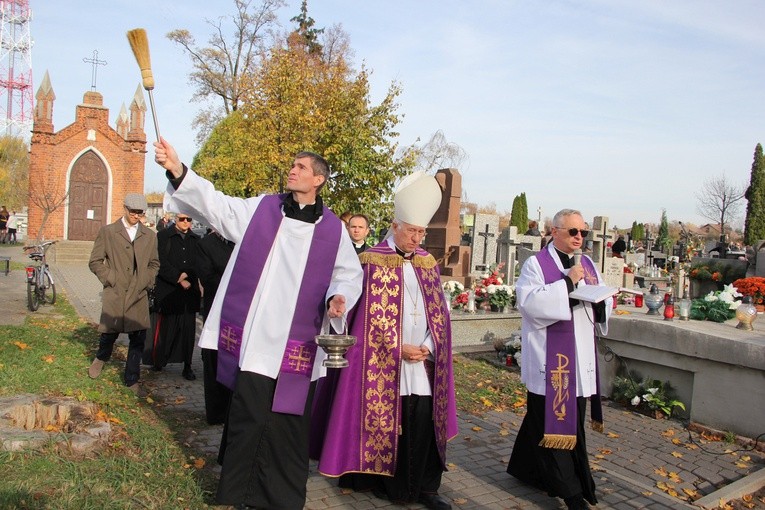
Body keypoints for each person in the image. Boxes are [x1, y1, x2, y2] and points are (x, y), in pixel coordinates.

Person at [153, 137, 363, 509]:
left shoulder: (333, 230)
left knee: (287, 424)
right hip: (256, 340)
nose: (292, 170)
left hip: (298, 345)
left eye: (300, 167)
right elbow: (216, 205)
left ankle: (281, 498)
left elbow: (348, 274)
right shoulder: (263, 210)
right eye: (292, 165)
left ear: (318, 179)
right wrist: (177, 169)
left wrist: (338, 297)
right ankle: (239, 492)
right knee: (249, 416)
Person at [311, 172, 458, 510]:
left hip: (422, 359)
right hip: (383, 361)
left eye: (422, 232)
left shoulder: (427, 263)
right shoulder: (370, 261)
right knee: (389, 421)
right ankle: (387, 485)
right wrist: (395, 347)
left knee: (421, 421)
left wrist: (430, 346)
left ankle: (426, 488)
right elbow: (362, 316)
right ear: (395, 225)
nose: (417, 238)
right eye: (412, 231)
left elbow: (439, 312)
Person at [506, 209, 612, 510]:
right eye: (573, 232)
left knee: (557, 422)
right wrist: (566, 284)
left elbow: (601, 298)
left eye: (583, 233)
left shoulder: (589, 263)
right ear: (555, 232)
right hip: (550, 361)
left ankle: (526, 470)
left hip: (579, 359)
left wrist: (604, 303)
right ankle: (572, 493)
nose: (580, 238)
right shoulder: (535, 264)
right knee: (553, 426)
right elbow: (529, 303)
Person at [87, 194, 160, 393]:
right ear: (125, 208)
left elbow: (154, 263)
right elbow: (95, 261)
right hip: (116, 292)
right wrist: (110, 278)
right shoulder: (109, 232)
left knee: (138, 338)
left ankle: (132, 378)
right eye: (133, 211)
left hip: (139, 292)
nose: (136, 216)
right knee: (109, 332)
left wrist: (147, 280)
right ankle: (101, 357)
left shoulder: (149, 235)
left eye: (140, 213)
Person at [146, 213, 201, 380]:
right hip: (169, 290)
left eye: (189, 219)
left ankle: (188, 365)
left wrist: (188, 276)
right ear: (175, 219)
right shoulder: (163, 236)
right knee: (165, 329)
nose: (185, 222)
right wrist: (178, 277)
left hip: (189, 293)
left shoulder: (196, 240)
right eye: (182, 219)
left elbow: (198, 263)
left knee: (187, 331)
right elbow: (159, 261)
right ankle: (159, 361)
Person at [195, 229, 235, 425]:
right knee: (215, 359)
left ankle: (233, 409)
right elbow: (207, 278)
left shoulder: (239, 241)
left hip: (239, 313)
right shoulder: (206, 245)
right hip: (216, 312)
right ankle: (216, 411)